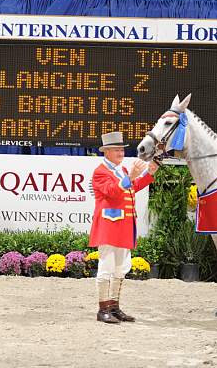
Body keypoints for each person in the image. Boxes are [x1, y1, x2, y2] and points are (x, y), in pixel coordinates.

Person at [89, 131, 158, 324]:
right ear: (107, 152)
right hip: (109, 226)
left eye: (121, 149)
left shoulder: (121, 171)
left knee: (121, 268)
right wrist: (132, 176)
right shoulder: (100, 171)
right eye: (117, 150)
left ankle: (114, 307)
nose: (121, 153)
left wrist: (149, 173)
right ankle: (102, 309)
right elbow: (112, 192)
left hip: (124, 225)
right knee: (106, 267)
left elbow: (132, 187)